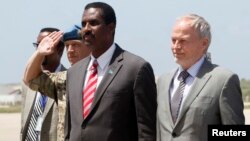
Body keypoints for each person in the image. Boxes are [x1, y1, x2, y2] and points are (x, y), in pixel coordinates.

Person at [23, 2, 157, 141]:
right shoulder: (73, 73)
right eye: (83, 24)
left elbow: (146, 132)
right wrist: (39, 53)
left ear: (111, 27)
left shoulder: (135, 69)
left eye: (93, 23)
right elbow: (31, 79)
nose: (86, 29)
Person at [156, 14, 245, 141]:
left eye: (183, 41)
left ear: (204, 43)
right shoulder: (162, 82)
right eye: (173, 40)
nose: (175, 46)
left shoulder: (223, 80)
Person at [22, 25, 91, 141]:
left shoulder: (101, 79)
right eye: (67, 45)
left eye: (75, 45)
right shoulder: (63, 80)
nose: (70, 50)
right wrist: (39, 53)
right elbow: (29, 79)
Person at [21, 27, 66, 141]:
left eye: (47, 44)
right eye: (38, 45)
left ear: (60, 49)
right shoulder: (28, 82)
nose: (41, 49)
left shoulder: (68, 81)